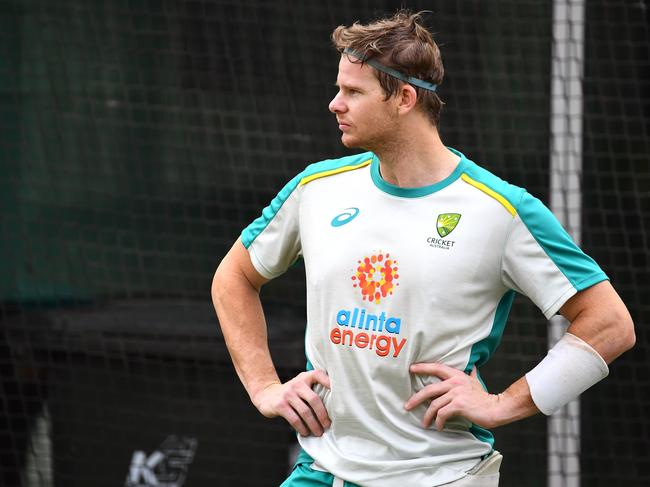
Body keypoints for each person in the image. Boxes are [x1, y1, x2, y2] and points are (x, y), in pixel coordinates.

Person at [211, 10, 635, 487]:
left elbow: (610, 324)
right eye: (338, 88)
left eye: (353, 91)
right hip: (323, 471)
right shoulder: (316, 188)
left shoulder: (503, 210)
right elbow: (233, 277)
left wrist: (502, 404)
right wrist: (265, 387)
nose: (334, 104)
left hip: (440, 477)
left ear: (405, 98)